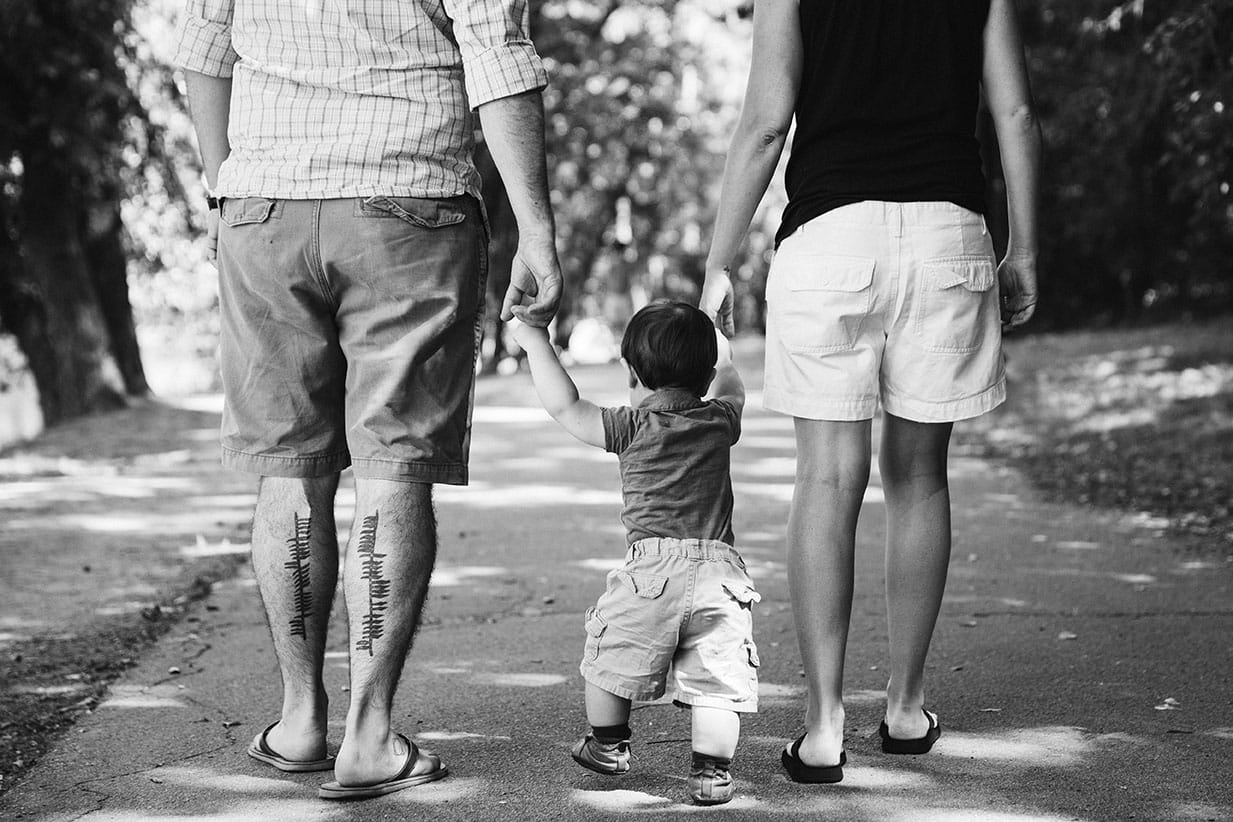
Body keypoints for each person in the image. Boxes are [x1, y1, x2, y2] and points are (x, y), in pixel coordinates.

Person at [175, 0, 562, 800]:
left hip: (264, 211)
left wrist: (226, 182)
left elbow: (204, 51)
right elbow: (497, 57)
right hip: (408, 205)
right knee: (393, 472)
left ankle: (299, 720)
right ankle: (368, 737)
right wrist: (537, 228)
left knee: (290, 471)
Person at [700, 0, 1041, 783]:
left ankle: (822, 729)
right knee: (919, 476)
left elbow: (763, 122)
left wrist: (719, 260)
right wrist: (1025, 247)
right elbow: (1015, 113)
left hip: (829, 238)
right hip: (946, 235)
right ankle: (905, 706)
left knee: (825, 477)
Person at [512, 302, 758, 806]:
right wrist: (724, 344)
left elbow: (566, 407)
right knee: (715, 678)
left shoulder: (630, 426)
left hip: (651, 571)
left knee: (608, 654)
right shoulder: (718, 420)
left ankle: (609, 745)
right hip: (720, 573)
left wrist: (536, 340)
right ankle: (711, 773)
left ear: (630, 374)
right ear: (705, 376)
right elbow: (733, 384)